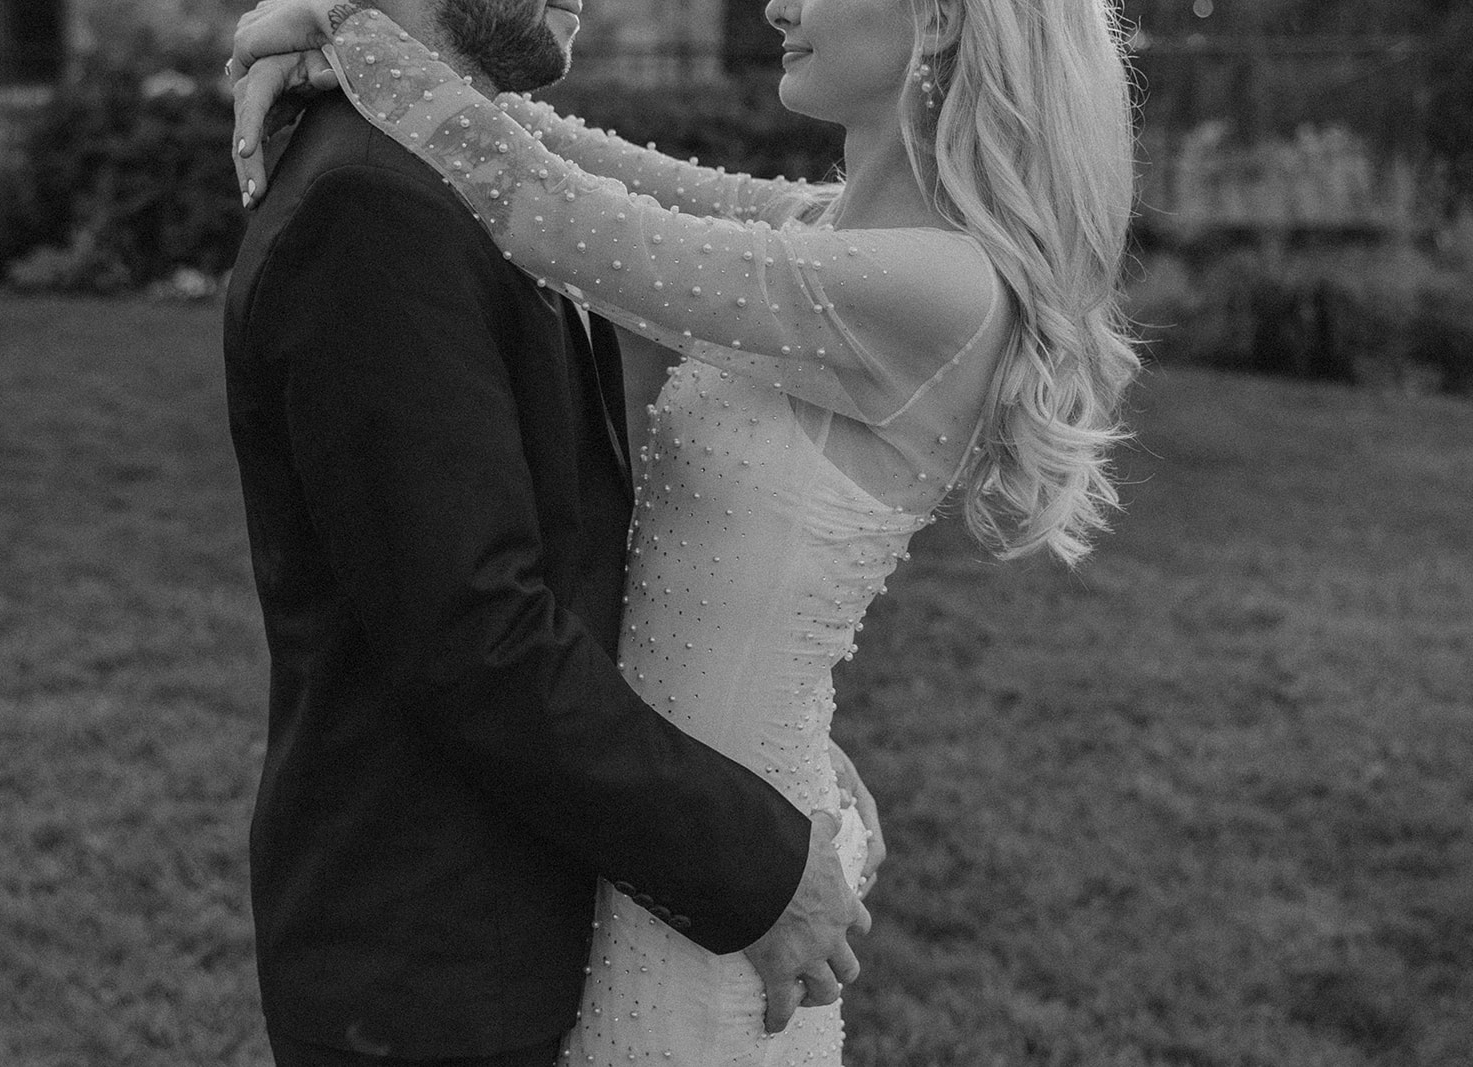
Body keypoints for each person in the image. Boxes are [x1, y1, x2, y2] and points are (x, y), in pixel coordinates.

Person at [229, 0, 1140, 1060]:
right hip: (672, 834)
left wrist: (347, 28)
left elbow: (553, 210)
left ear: (937, 22)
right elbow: (557, 153)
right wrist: (338, 41)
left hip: (722, 886)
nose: (777, 4)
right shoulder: (825, 230)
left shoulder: (931, 287)